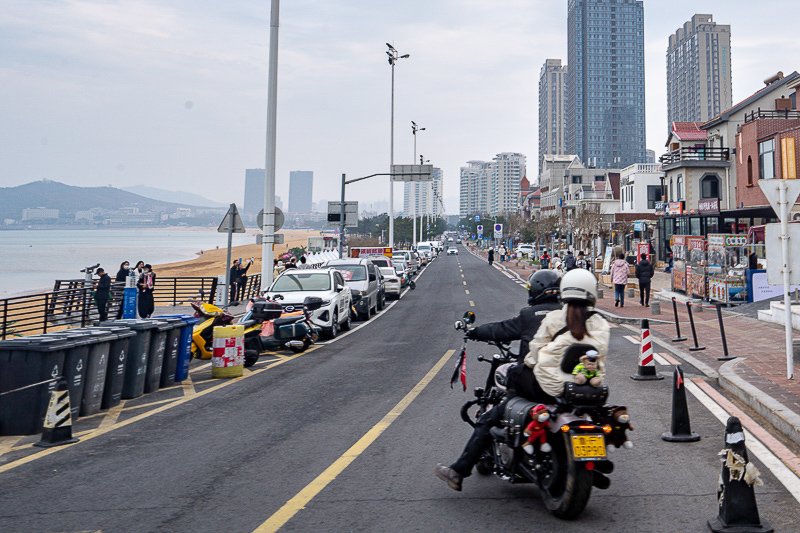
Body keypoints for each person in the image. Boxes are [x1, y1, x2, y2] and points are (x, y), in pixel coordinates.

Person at [435, 269, 610, 491]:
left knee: (493, 416)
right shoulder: (586, 317)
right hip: (575, 385)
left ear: (536, 291)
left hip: (540, 386)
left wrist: (475, 332)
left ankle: (458, 471)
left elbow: (501, 330)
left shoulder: (530, 315)